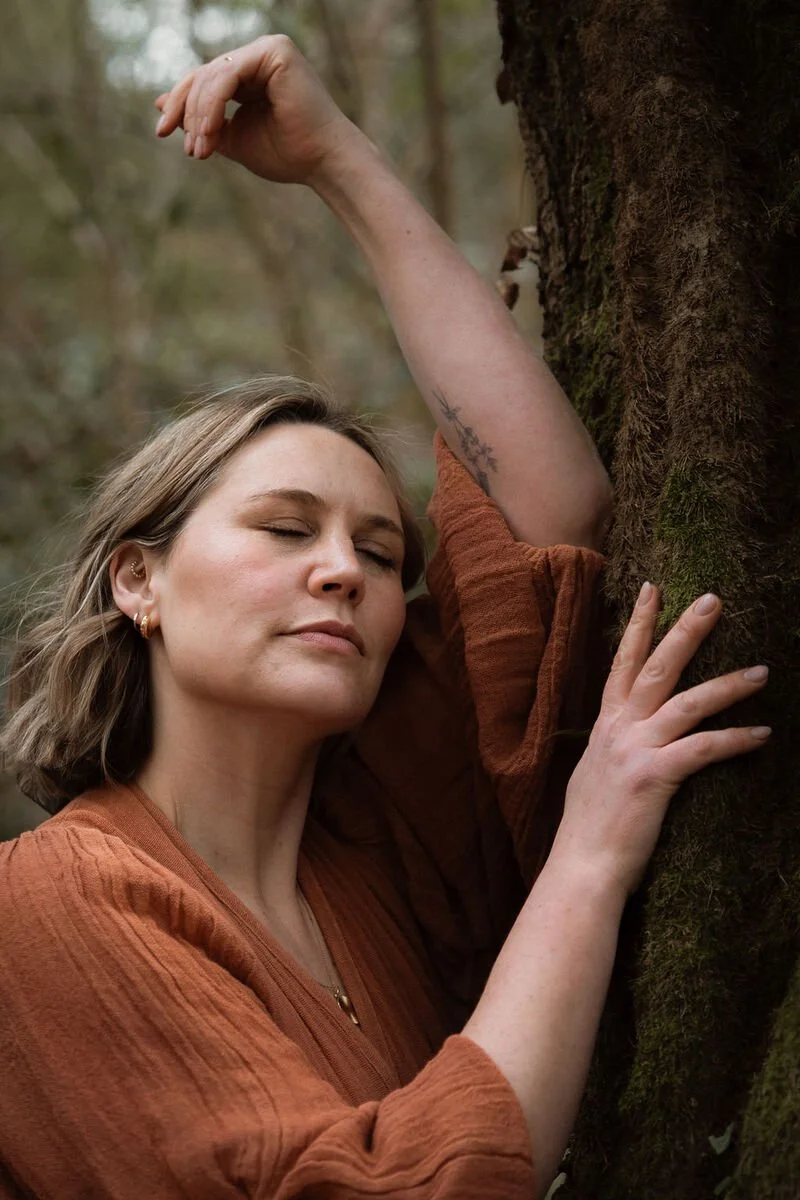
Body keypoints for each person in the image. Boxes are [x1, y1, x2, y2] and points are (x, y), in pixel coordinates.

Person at [0, 36, 771, 1200]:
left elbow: (547, 512)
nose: (344, 574)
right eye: (281, 528)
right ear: (137, 581)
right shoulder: (53, 900)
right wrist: (590, 848)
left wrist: (338, 164)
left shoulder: (377, 847)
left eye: (377, 550)